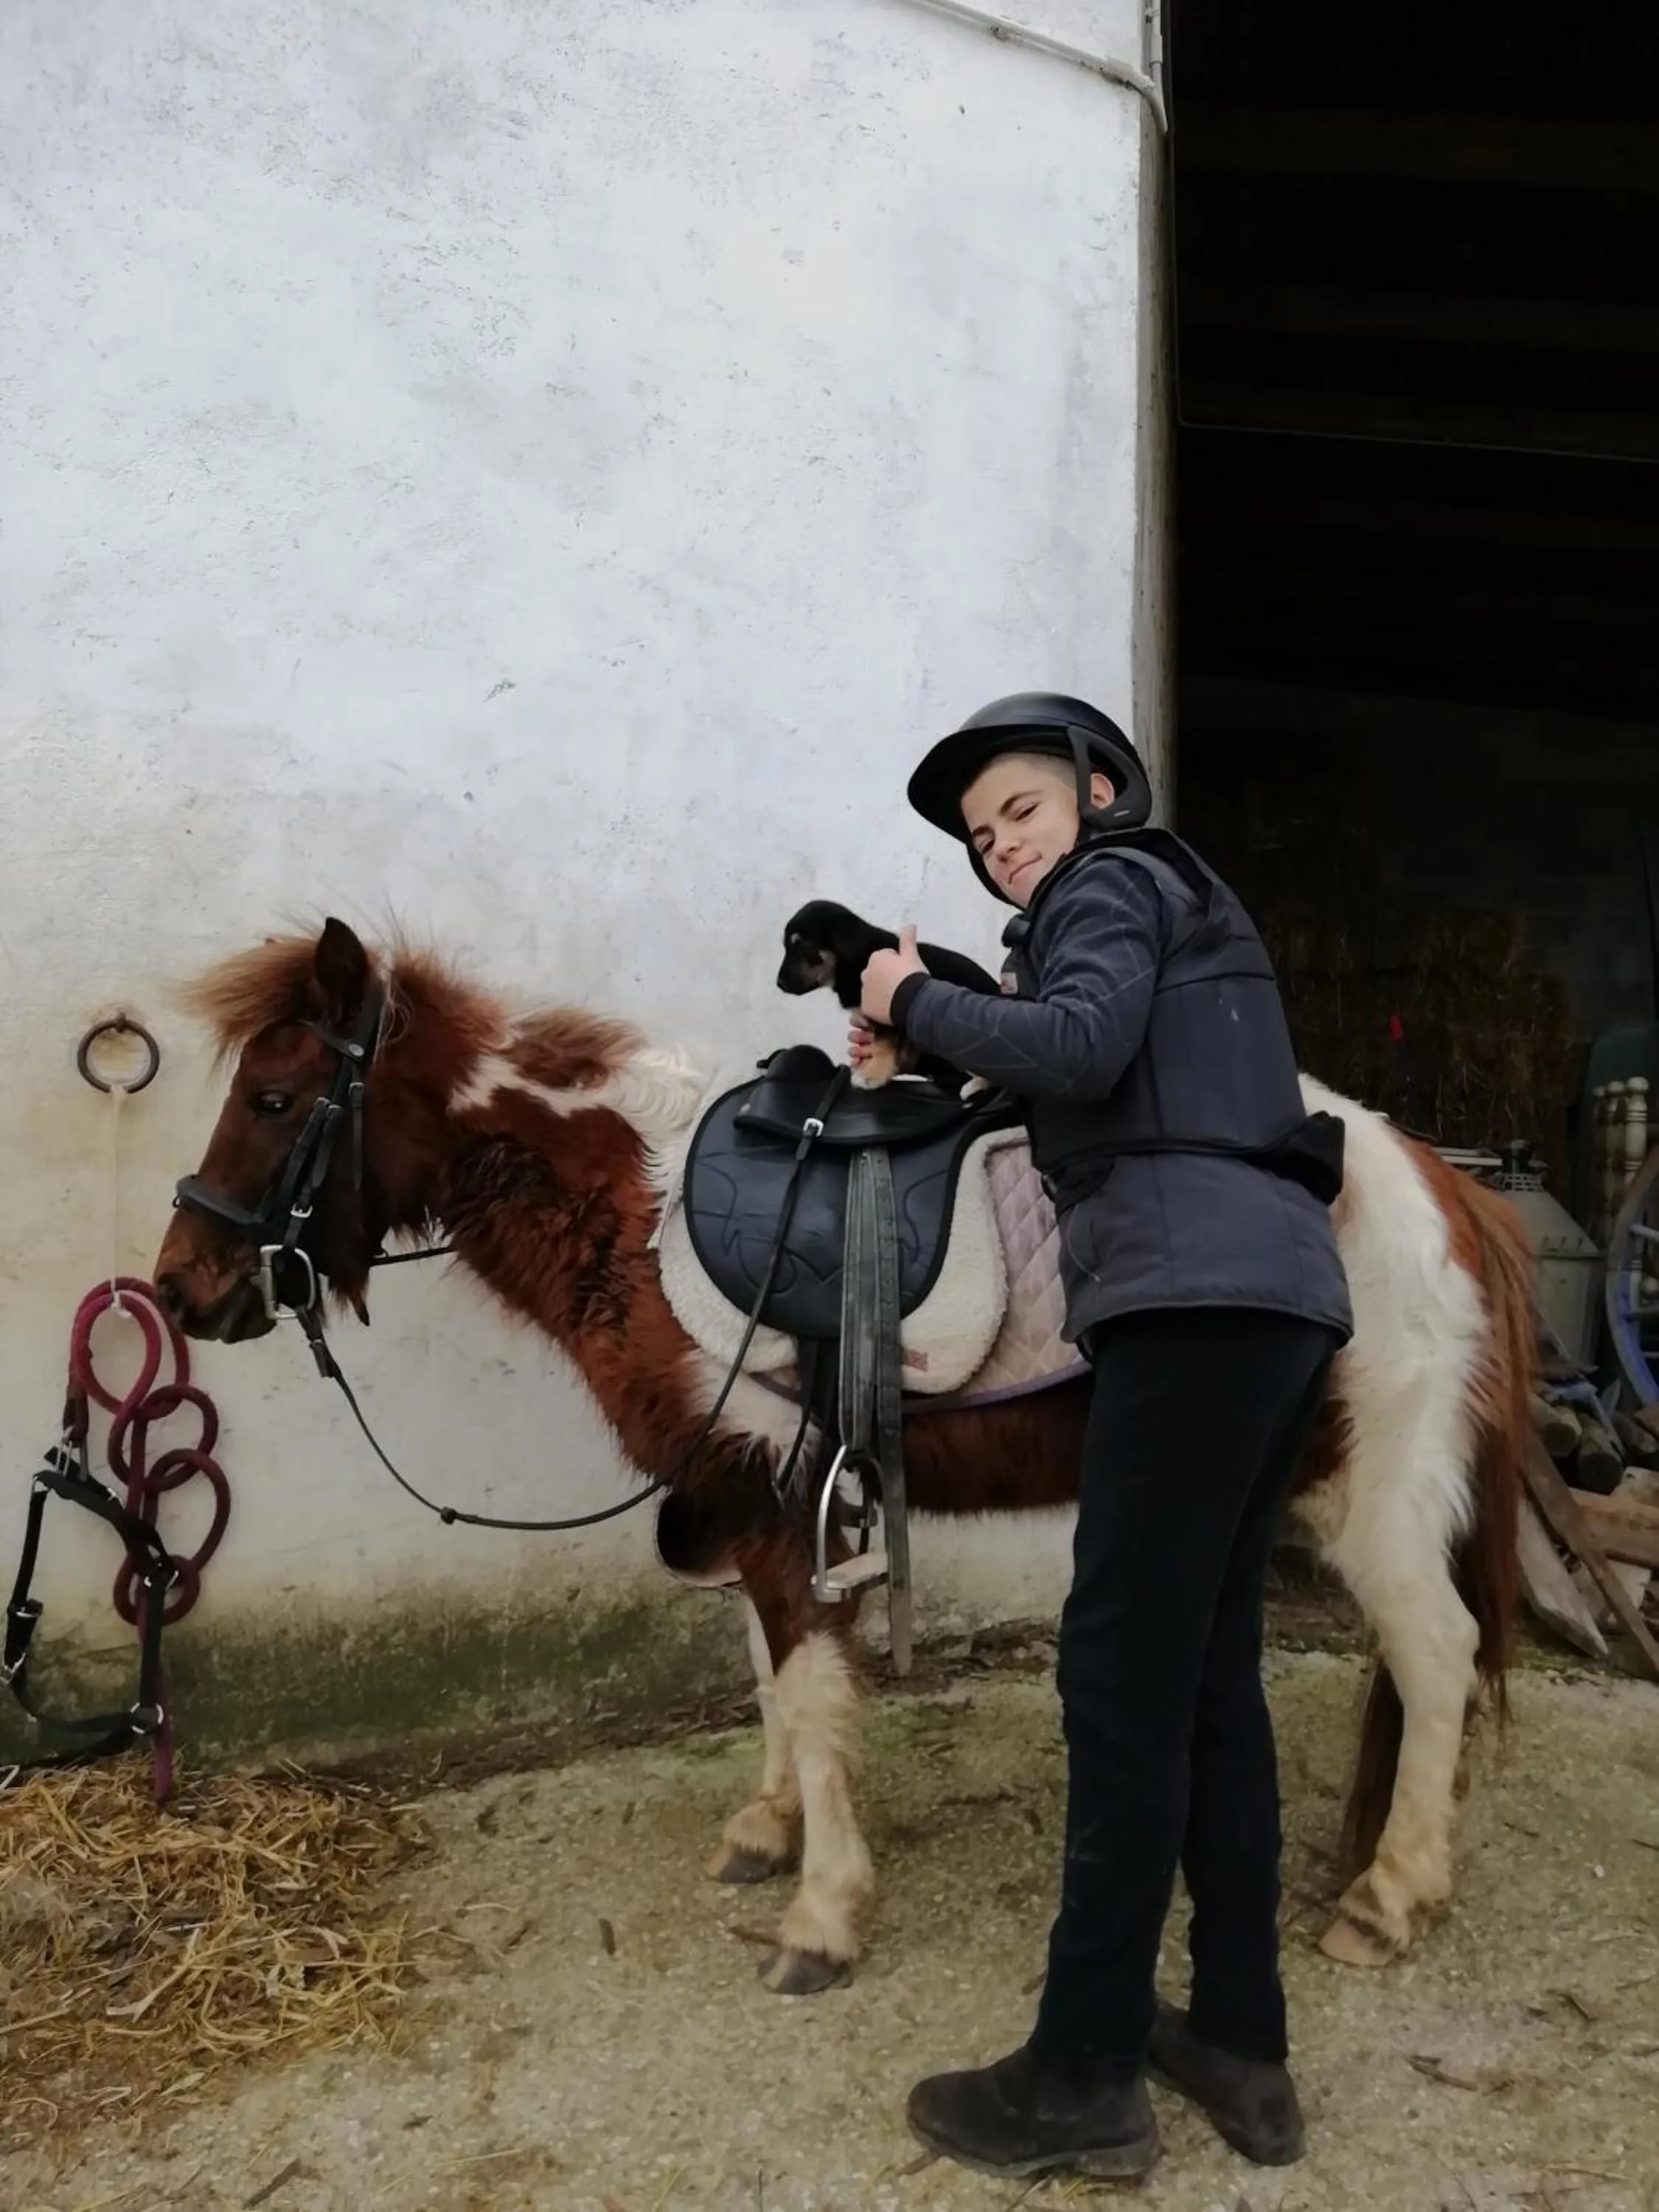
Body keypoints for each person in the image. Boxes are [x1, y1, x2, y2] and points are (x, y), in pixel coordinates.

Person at [855, 692, 1354, 2185]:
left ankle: (1080, 2074)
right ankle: (1242, 2045)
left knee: (1121, 1679)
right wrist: (925, 1024)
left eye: (1017, 808)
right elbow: (1074, 1060)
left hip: (1192, 1303)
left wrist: (900, 982)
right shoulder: (1148, 907)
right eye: (979, 835)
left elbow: (1072, 1044)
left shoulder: (1115, 882)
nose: (1000, 845)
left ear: (1099, 787)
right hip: (1271, 1302)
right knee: (1205, 1676)